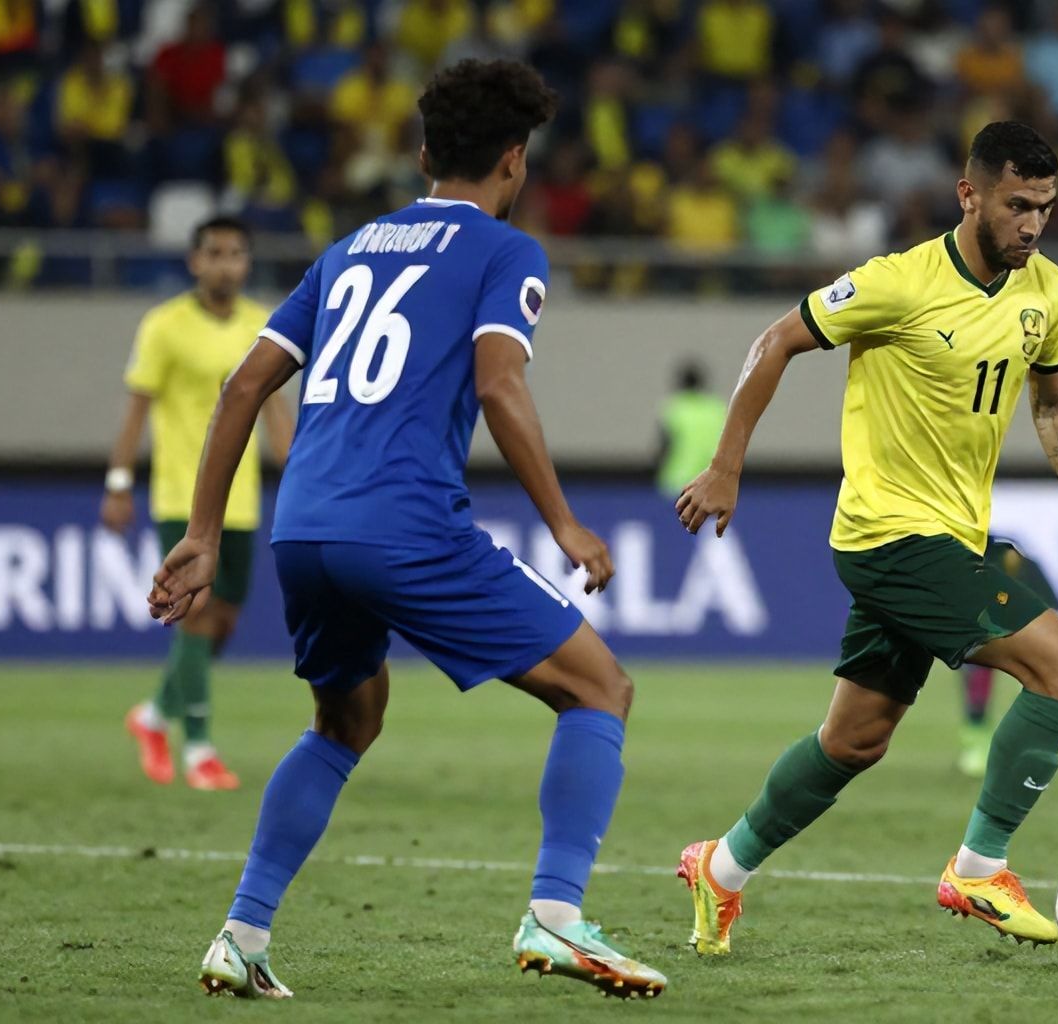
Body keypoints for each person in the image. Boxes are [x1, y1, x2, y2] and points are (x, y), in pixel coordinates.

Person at [146, 59, 668, 1001]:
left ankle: (242, 934)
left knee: (348, 718)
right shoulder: (507, 253)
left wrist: (198, 529)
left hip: (302, 528)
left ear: (425, 153)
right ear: (515, 161)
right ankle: (556, 917)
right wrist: (565, 523)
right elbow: (502, 383)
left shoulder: (346, 250)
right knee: (601, 687)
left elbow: (243, 387)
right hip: (405, 525)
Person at [673, 121, 1058, 954]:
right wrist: (726, 466)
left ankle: (721, 867)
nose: (1032, 225)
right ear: (970, 196)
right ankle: (979, 866)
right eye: (1017, 205)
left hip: (953, 539)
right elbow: (775, 340)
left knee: (854, 740)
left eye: (1045, 208)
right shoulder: (898, 283)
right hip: (889, 534)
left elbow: (1053, 402)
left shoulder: (1047, 292)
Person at [108, 216, 293, 792]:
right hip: (180, 501)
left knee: (224, 622)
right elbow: (138, 408)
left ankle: (153, 716)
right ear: (195, 261)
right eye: (214, 252)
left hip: (241, 502)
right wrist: (118, 481)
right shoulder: (164, 326)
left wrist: (301, 475)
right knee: (196, 613)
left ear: (247, 262)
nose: (225, 264)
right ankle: (200, 751)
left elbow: (275, 412)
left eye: (236, 253)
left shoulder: (263, 324)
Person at [957, 537, 1058, 778]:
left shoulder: (1012, 558)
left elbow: (1052, 602)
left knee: (1036, 685)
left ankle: (1027, 746)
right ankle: (978, 745)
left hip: (1019, 632)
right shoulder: (967, 558)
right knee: (978, 679)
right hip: (984, 634)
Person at [654, 360, 727, 498]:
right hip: (711, 482)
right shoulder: (716, 407)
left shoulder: (675, 407)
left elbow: (664, 446)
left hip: (677, 482)